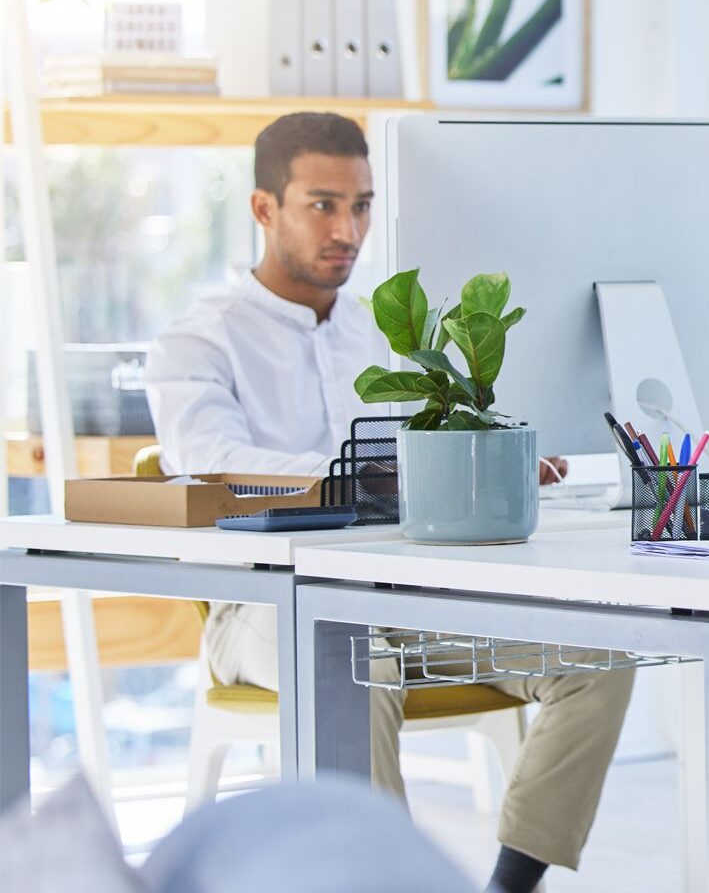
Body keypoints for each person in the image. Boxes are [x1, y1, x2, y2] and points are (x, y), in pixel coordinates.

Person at [145, 112, 634, 893]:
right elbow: (208, 462)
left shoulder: (384, 329)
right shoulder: (198, 343)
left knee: (599, 658)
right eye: (323, 204)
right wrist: (371, 477)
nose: (348, 228)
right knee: (352, 654)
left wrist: (476, 459)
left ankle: (509, 887)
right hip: (262, 606)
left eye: (363, 205)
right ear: (264, 209)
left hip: (405, 594)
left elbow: (428, 446)